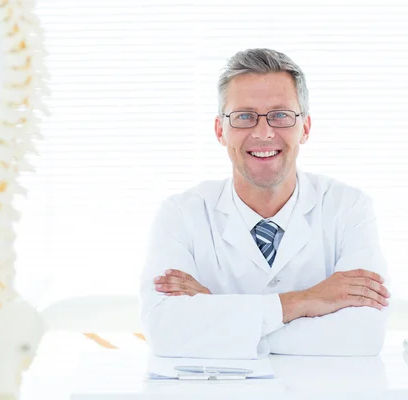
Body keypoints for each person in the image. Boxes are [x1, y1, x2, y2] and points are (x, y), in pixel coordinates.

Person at [139, 48, 391, 359]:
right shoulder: (180, 214)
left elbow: (362, 336)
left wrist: (221, 316)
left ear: (305, 128)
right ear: (220, 130)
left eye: (280, 115)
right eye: (244, 116)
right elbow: (167, 334)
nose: (263, 132)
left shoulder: (349, 208)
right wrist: (304, 301)